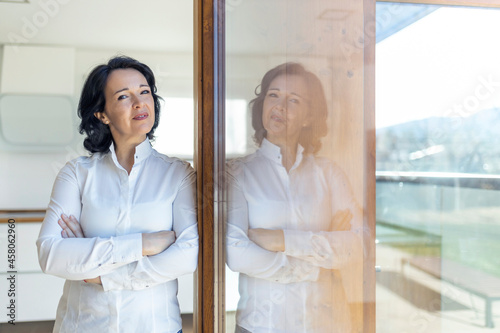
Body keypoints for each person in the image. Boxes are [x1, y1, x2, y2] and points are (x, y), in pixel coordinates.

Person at [37, 56, 198, 333]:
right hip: (83, 326)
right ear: (102, 113)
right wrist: (143, 245)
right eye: (124, 96)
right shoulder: (76, 173)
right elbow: (51, 254)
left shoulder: (179, 174)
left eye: (144, 91)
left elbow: (188, 254)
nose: (139, 103)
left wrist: (99, 272)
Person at [226, 62, 364, 333]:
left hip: (326, 324)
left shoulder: (329, 172)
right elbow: (237, 254)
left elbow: (359, 245)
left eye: (294, 100)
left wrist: (280, 240)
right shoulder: (237, 173)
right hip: (259, 325)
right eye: (273, 95)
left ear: (309, 117)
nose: (279, 106)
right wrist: (320, 257)